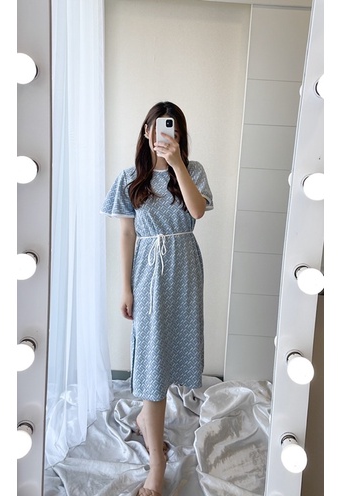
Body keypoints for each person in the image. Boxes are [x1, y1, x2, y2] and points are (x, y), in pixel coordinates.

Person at [101, 101, 213, 496]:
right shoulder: (130, 178)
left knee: (171, 353)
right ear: (146, 130)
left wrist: (177, 164)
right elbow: (126, 234)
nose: (164, 134)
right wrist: (126, 287)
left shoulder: (193, 171)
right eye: (158, 127)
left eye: (173, 129)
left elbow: (197, 212)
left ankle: (144, 423)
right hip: (148, 272)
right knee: (151, 359)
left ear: (179, 135)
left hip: (184, 269)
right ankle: (157, 463)